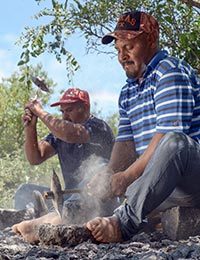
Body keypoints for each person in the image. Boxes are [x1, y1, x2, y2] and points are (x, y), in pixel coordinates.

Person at [86, 10, 200, 243]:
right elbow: (125, 142)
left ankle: (123, 224)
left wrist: (126, 176)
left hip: (191, 177)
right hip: (162, 184)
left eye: (129, 47)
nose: (122, 56)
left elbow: (169, 137)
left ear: (150, 41)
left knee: (174, 142)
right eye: (118, 49)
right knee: (100, 178)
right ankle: (72, 215)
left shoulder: (169, 72)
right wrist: (109, 174)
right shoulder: (128, 91)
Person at [12, 87, 117, 243]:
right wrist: (30, 127)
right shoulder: (60, 133)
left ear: (85, 108)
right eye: (62, 112)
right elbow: (35, 157)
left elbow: (71, 134)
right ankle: (47, 221)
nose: (64, 116)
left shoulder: (98, 127)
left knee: (99, 167)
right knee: (25, 191)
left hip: (98, 200)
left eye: (69, 110)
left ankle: (39, 226)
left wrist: (40, 112)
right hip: (67, 198)